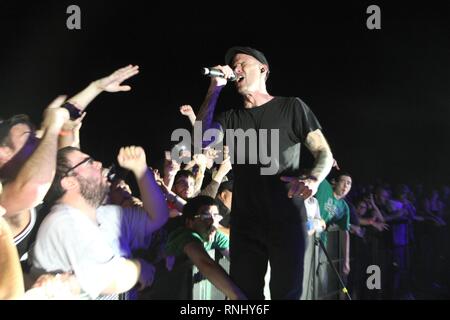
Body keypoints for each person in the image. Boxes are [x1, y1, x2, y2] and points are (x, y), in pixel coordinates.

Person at [196, 46, 333, 299]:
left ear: (263, 69)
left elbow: (324, 153)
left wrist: (314, 178)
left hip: (287, 221)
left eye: (241, 64)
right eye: (233, 66)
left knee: (286, 294)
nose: (235, 69)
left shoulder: (291, 108)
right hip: (246, 224)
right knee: (245, 298)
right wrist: (214, 89)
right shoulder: (231, 118)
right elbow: (199, 140)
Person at [31, 146, 169, 299]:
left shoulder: (106, 214)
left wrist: (141, 170)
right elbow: (111, 278)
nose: (98, 163)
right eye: (88, 162)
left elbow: (158, 217)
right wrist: (139, 268)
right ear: (70, 182)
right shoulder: (62, 222)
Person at [164, 196, 245, 300]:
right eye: (205, 216)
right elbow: (205, 264)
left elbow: (236, 260)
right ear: (189, 223)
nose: (212, 222)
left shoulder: (215, 235)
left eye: (216, 216)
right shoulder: (183, 236)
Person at [314, 172, 352, 298]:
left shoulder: (344, 207)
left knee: (322, 280)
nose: (346, 185)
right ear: (335, 182)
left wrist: (346, 260)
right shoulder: (324, 186)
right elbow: (317, 172)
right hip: (306, 236)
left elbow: (345, 232)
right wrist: (329, 163)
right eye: (343, 181)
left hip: (321, 241)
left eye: (349, 183)